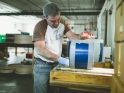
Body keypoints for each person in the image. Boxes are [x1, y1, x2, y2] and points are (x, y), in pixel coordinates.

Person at [32, 2, 94, 93]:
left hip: (56, 64)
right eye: (53, 21)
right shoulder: (40, 26)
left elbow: (72, 37)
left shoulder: (63, 23)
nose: (57, 23)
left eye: (58, 19)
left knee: (54, 90)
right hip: (42, 65)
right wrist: (61, 60)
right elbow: (40, 49)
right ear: (45, 17)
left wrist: (81, 37)